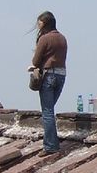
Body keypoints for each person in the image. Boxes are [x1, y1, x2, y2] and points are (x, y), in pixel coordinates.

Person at [27, 11, 68, 157]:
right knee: (49, 110)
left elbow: (36, 61)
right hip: (61, 75)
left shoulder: (45, 38)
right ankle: (49, 141)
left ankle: (51, 146)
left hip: (49, 75)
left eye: (39, 23)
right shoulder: (62, 38)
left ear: (44, 23)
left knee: (47, 112)